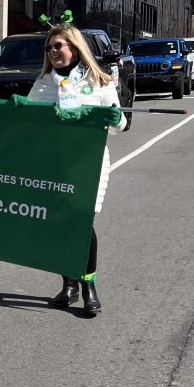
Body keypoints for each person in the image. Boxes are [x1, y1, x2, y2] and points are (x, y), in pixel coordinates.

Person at [25, 24, 126, 317]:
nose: (53, 52)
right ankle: (68, 283)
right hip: (54, 163)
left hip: (88, 164)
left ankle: (88, 284)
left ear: (75, 47)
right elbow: (29, 124)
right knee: (60, 222)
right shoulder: (43, 83)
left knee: (82, 222)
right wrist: (21, 110)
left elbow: (119, 126)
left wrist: (115, 118)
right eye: (49, 47)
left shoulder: (99, 81)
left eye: (58, 45)